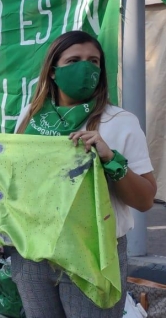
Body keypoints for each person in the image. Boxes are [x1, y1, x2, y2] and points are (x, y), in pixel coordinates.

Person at [12, 31, 157, 317]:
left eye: (94, 61)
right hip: (33, 250)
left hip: (95, 252)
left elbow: (144, 200)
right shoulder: (31, 115)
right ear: (53, 71)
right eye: (74, 60)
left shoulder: (120, 122)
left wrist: (111, 160)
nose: (86, 67)